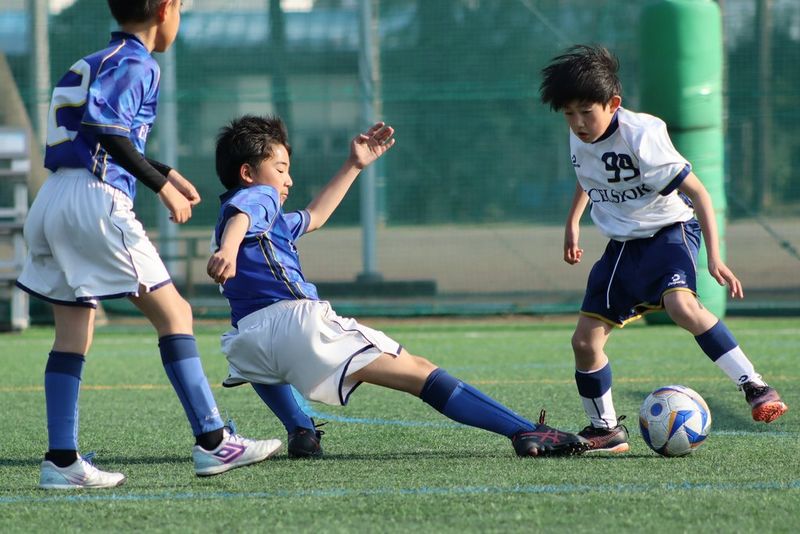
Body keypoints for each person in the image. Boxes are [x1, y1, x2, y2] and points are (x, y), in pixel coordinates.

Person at [206, 114, 589, 459]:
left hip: (249, 342)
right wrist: (228, 250)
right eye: (281, 168)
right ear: (247, 172)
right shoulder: (258, 197)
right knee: (421, 373)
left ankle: (301, 430)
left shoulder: (255, 222)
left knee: (265, 366)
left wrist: (354, 165)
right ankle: (523, 430)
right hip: (298, 324)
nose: (287, 180)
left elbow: (316, 215)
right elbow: (247, 211)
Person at [16, 0, 280, 489]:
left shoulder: (96, 59)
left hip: (53, 198)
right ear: (165, 8)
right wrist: (160, 187)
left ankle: (61, 461)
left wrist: (164, 170)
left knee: (74, 332)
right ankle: (214, 442)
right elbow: (104, 130)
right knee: (176, 315)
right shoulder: (138, 61)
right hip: (95, 201)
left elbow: (89, 134)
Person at [538, 45, 789, 454]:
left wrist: (714, 257)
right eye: (568, 113)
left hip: (669, 232)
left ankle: (754, 385)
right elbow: (588, 175)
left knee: (681, 307)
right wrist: (572, 222)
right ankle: (605, 429)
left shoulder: (642, 134)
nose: (578, 122)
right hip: (621, 247)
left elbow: (700, 194)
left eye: (586, 111)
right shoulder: (578, 134)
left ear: (612, 103)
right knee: (584, 342)